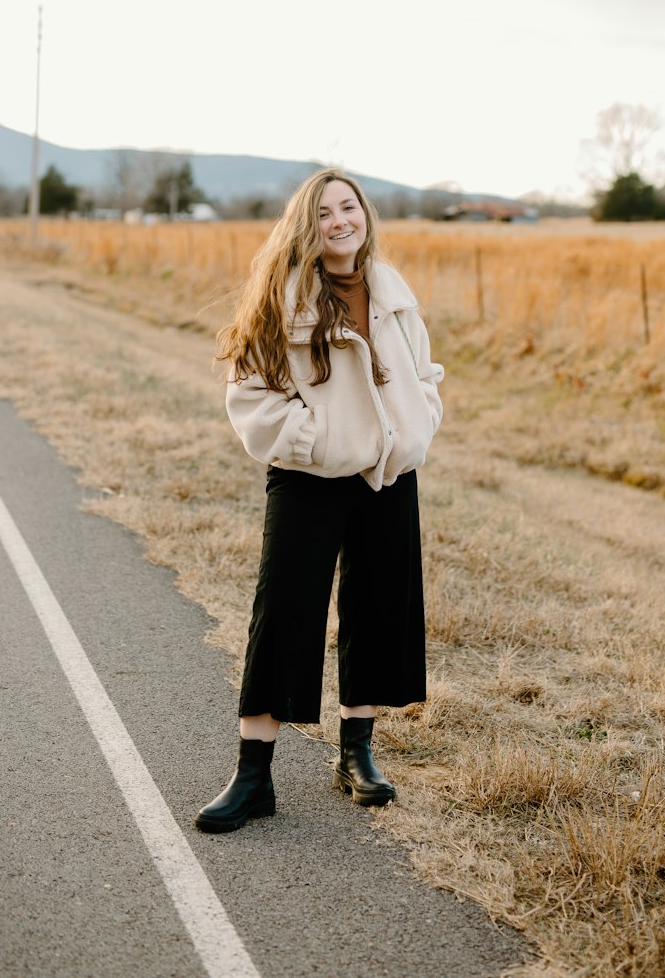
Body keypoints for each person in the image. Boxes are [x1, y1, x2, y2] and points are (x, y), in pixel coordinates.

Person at [195, 169, 444, 834]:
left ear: (365, 215)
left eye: (349, 207)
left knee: (378, 609)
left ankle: (356, 755)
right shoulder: (286, 296)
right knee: (283, 615)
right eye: (326, 212)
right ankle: (253, 777)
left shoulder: (393, 292)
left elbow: (423, 373)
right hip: (309, 477)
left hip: (387, 475)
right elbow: (247, 390)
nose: (340, 221)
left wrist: (416, 424)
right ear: (310, 225)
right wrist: (315, 440)